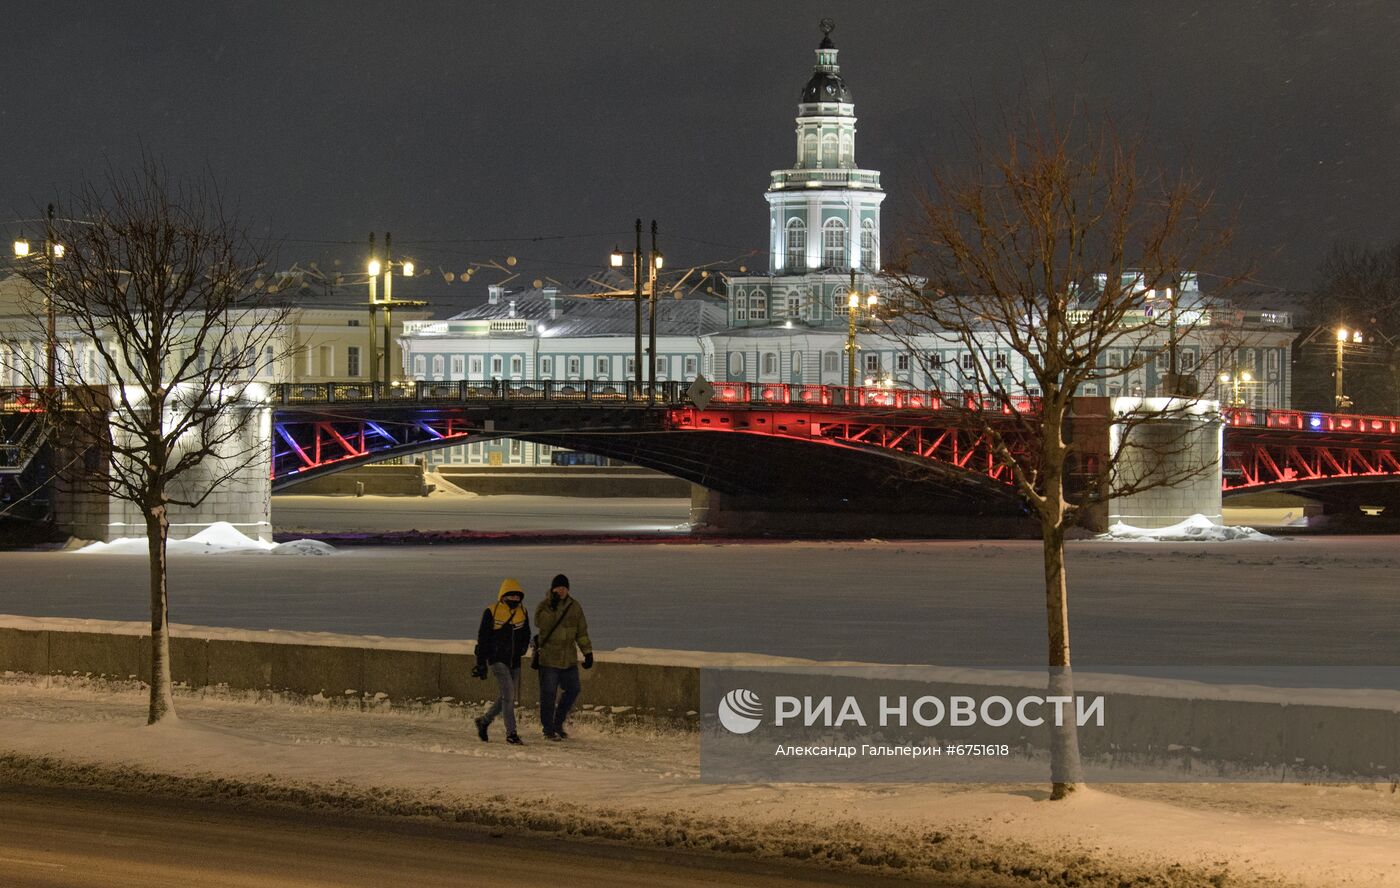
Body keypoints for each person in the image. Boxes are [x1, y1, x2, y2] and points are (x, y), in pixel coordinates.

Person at [534, 573, 593, 741]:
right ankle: (548, 729)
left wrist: (587, 652)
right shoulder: (544, 606)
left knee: (573, 689)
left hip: (568, 659)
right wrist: (552, 607)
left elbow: (581, 632)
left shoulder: (575, 607)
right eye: (558, 588)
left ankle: (557, 722)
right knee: (548, 695)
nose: (561, 590)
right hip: (549, 659)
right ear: (552, 589)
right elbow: (540, 623)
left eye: (564, 588)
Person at [473, 578, 531, 745]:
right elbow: (483, 638)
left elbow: (526, 633)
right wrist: (481, 662)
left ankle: (484, 721)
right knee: (509, 696)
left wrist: (523, 648)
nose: (514, 599)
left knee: (506, 696)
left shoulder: (523, 612)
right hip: (497, 660)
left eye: (517, 596)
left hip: (515, 661)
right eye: (510, 596)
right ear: (503, 595)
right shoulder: (491, 611)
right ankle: (511, 733)